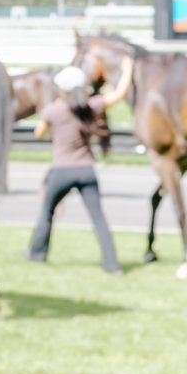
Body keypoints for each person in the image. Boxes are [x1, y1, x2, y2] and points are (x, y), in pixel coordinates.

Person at [26, 65, 122, 272]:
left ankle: (36, 254)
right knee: (98, 218)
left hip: (61, 170)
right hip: (87, 170)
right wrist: (128, 67)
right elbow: (119, 94)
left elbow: (38, 133)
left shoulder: (54, 111)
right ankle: (112, 264)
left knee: (47, 212)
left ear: (61, 90)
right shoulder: (91, 107)